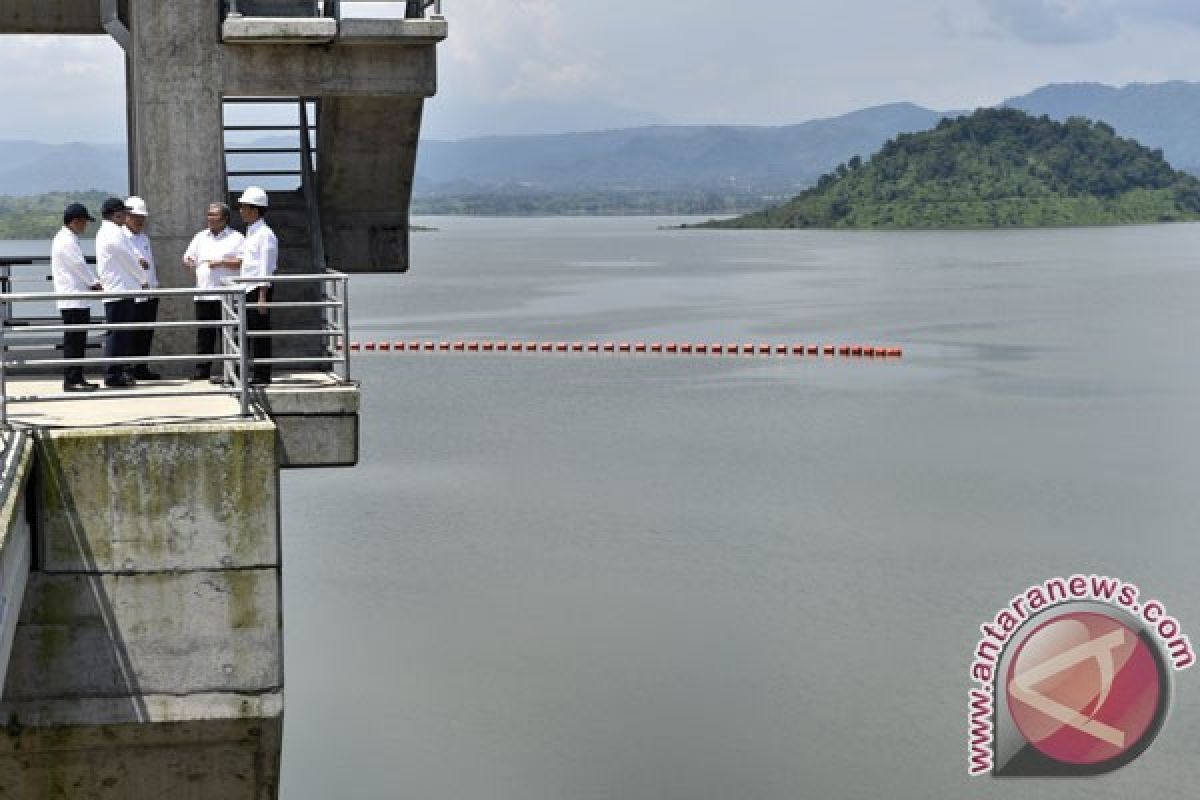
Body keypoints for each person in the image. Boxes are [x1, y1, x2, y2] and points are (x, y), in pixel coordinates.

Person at [183, 203, 244, 381]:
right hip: (203, 293)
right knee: (204, 335)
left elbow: (243, 262)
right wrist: (189, 260)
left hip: (227, 296)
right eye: (208, 214)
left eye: (213, 215)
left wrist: (222, 263)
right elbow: (189, 256)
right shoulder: (200, 237)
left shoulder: (237, 238)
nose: (209, 218)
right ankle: (202, 370)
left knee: (230, 335)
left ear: (224, 218)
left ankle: (235, 371)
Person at [95, 197, 148, 388]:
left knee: (119, 334)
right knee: (118, 334)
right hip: (120, 289)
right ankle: (113, 375)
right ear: (117, 214)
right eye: (124, 213)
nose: (127, 216)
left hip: (118, 288)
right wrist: (143, 280)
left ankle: (116, 372)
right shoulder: (114, 233)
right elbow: (129, 259)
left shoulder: (107, 232)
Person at [50, 203, 101, 391]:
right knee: (74, 340)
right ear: (75, 221)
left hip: (76, 298)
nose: (85, 225)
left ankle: (77, 376)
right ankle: (71, 379)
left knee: (78, 340)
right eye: (84, 222)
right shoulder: (66, 241)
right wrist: (95, 282)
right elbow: (79, 265)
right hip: (72, 298)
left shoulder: (68, 238)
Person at [236, 187, 278, 386]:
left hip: (258, 289)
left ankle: (262, 375)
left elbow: (265, 266)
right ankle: (250, 372)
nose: (241, 211)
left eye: (244, 207)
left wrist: (263, 294)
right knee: (249, 331)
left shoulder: (265, 234)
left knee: (260, 332)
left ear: (255, 210)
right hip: (248, 288)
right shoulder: (252, 232)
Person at [123, 196, 161, 380]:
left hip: (150, 292)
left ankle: (141, 367)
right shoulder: (122, 237)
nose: (140, 220)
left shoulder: (144, 237)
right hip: (134, 293)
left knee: (146, 332)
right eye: (136, 216)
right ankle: (129, 369)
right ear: (127, 216)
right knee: (132, 333)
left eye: (142, 217)